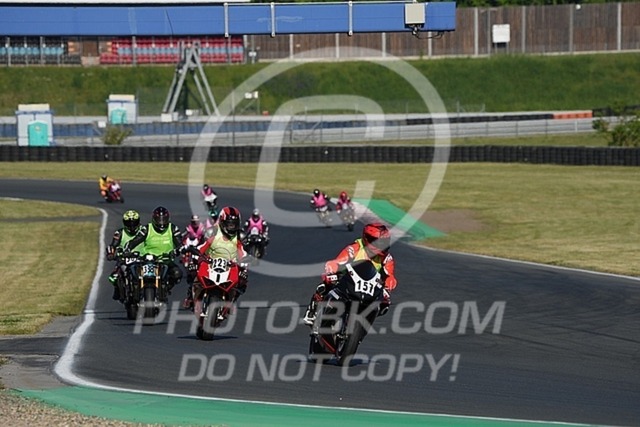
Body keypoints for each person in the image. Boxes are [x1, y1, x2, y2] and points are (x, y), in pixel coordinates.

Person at [302, 222, 397, 326]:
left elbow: (390, 276)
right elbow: (337, 262)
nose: (382, 245)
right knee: (323, 287)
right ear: (368, 239)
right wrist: (331, 272)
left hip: (369, 288)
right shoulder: (354, 249)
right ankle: (312, 312)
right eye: (379, 242)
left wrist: (387, 289)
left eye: (385, 242)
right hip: (347, 281)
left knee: (384, 305)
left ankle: (362, 322)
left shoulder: (386, 258)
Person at [183, 206, 249, 311]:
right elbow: (202, 247)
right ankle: (190, 296)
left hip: (230, 265)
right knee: (192, 269)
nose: (231, 227)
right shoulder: (212, 232)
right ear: (222, 222)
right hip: (209, 262)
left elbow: (243, 252)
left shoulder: (239, 236)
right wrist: (196, 254)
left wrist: (245, 262)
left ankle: (232, 300)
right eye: (229, 224)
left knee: (243, 279)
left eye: (234, 224)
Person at [123, 206, 184, 302]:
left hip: (165, 260)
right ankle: (135, 292)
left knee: (177, 274)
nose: (161, 222)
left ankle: (165, 287)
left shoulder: (173, 228)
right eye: (159, 220)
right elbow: (135, 241)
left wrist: (178, 250)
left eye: (163, 219)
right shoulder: (147, 228)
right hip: (147, 260)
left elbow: (180, 243)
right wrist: (128, 249)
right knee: (133, 271)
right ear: (154, 219)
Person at [106, 210, 143, 301]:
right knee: (113, 277)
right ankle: (118, 289)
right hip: (124, 258)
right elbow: (112, 245)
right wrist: (111, 254)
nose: (131, 226)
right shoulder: (119, 233)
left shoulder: (144, 231)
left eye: (134, 223)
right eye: (128, 223)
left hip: (141, 258)